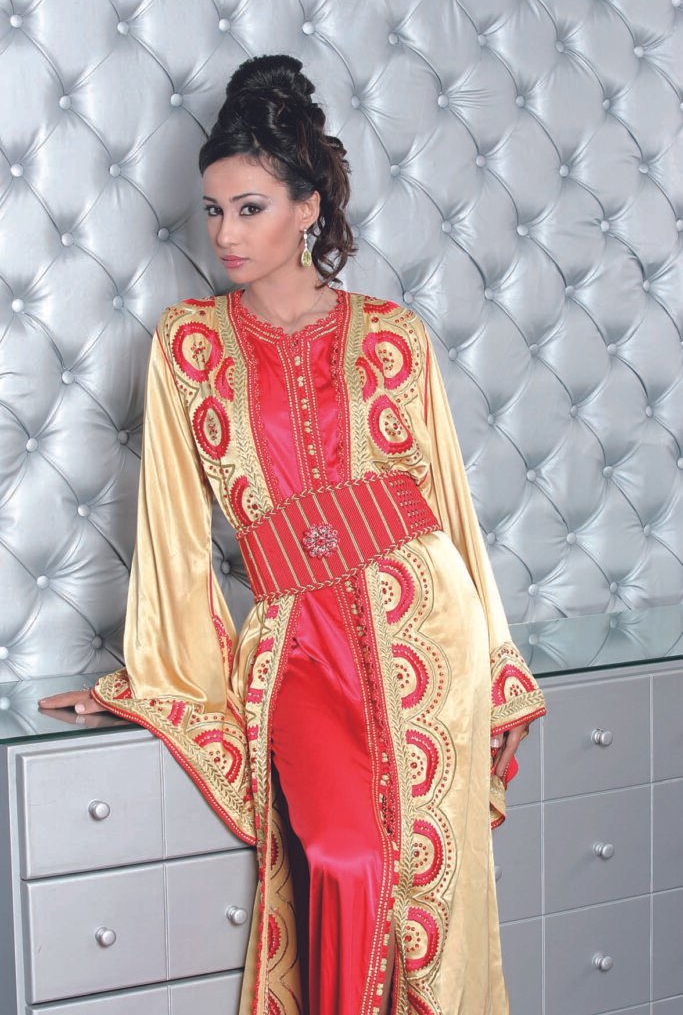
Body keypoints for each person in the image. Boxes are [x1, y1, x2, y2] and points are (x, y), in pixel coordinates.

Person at [40, 54, 546, 1015]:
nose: (225, 233)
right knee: (348, 859)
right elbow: (175, 539)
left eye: (251, 208)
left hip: (426, 629)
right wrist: (145, 682)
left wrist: (498, 659)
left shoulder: (394, 336)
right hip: (299, 645)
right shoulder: (188, 344)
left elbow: (448, 507)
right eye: (214, 210)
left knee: (429, 893)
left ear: (308, 208)